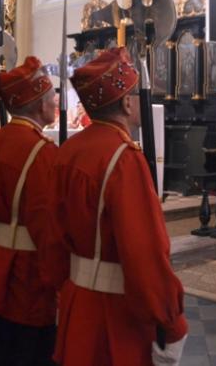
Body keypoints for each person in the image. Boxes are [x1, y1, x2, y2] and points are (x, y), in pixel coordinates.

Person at [44, 48, 188, 366]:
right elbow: (145, 254)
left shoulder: (67, 151)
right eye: (136, 94)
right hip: (116, 316)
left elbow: (52, 236)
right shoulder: (124, 159)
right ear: (126, 103)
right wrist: (172, 323)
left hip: (77, 303)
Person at [0, 56, 60, 365]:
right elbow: (47, 225)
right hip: (29, 275)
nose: (56, 101)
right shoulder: (42, 152)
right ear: (39, 104)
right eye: (52, 95)